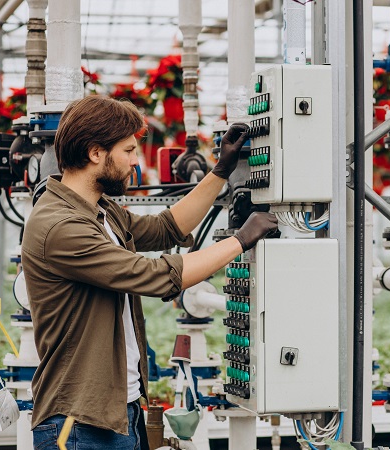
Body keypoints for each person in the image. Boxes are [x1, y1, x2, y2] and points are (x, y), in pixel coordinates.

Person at [21, 96, 277, 450]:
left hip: (119, 413)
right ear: (96, 153)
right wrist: (241, 240)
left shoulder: (100, 210)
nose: (134, 161)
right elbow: (155, 275)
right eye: (128, 150)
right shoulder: (60, 226)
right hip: (78, 425)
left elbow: (166, 227)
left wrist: (222, 171)